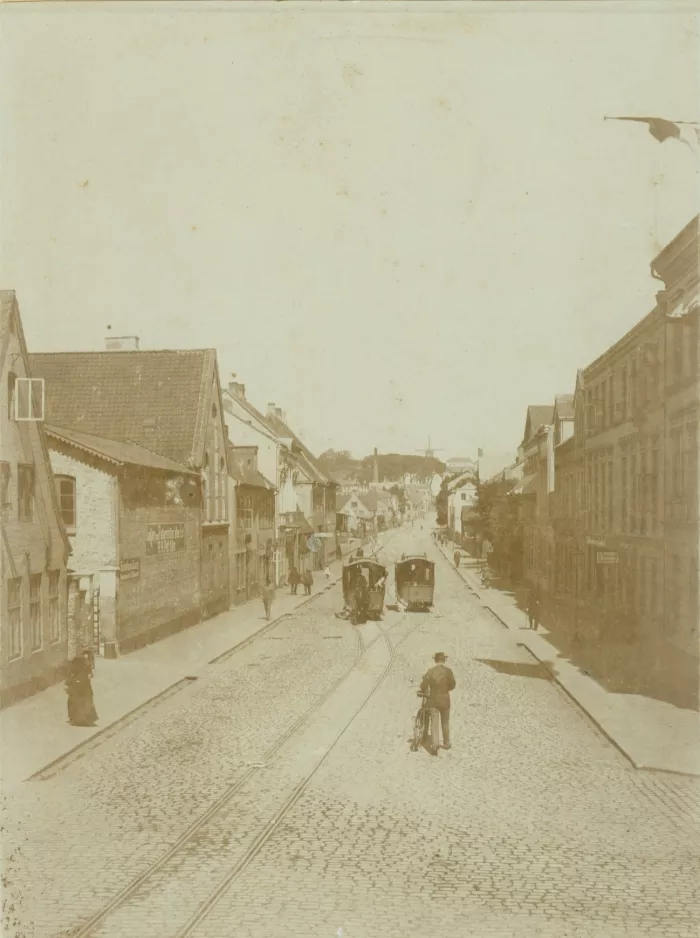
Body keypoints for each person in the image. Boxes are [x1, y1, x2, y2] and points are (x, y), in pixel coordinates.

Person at [419, 652, 456, 755]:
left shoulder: (431, 671)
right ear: (444, 660)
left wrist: (423, 688)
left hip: (433, 700)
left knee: (434, 723)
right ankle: (447, 743)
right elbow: (453, 685)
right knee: (445, 722)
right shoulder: (448, 671)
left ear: (435, 660)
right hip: (445, 699)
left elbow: (424, 684)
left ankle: (435, 745)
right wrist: (445, 689)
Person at [65, 654, 98, 727]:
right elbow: (90, 675)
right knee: (85, 704)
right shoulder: (86, 666)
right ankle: (85, 720)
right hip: (84, 689)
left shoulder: (75, 666)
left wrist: (68, 684)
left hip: (78, 689)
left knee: (75, 703)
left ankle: (75, 719)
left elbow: (71, 676)